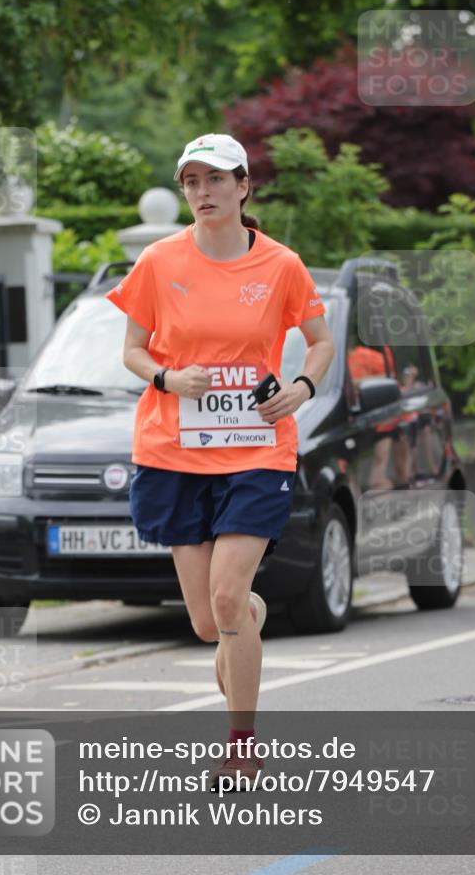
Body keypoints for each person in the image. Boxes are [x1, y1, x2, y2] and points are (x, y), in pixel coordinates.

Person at [106, 133, 334, 789]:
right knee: (212, 621)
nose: (202, 193)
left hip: (257, 449)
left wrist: (301, 388)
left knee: (229, 598)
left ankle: (240, 745)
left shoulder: (280, 265)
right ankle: (246, 622)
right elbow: (132, 348)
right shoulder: (157, 260)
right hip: (174, 450)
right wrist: (166, 381)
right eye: (191, 182)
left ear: (242, 187)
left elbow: (317, 342)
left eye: (214, 180)